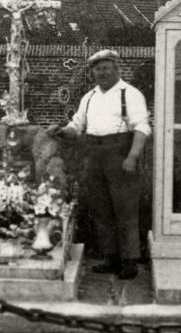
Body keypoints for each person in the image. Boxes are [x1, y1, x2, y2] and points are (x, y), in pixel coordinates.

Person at [47, 49, 150, 280]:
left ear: (116, 69)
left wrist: (132, 157)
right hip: (93, 154)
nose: (101, 72)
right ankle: (110, 257)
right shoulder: (89, 97)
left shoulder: (130, 94)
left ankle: (129, 260)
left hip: (120, 152)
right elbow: (77, 126)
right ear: (92, 72)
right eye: (97, 69)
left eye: (105, 68)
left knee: (125, 208)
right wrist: (62, 131)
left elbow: (142, 128)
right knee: (100, 208)